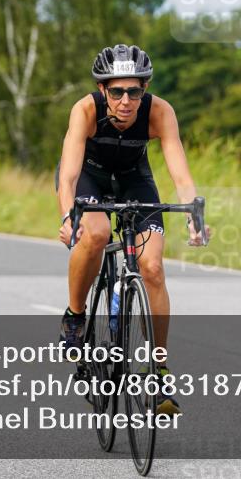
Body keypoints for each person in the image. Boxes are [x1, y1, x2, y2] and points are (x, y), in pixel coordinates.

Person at [56, 44, 207, 415]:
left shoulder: (159, 112)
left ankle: (157, 372)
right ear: (102, 89)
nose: (126, 100)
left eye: (135, 91)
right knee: (95, 234)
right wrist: (67, 216)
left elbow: (180, 174)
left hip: (133, 179)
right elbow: (70, 174)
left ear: (145, 89)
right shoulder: (85, 110)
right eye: (117, 91)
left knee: (152, 267)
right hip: (89, 177)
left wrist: (194, 216)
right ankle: (75, 316)